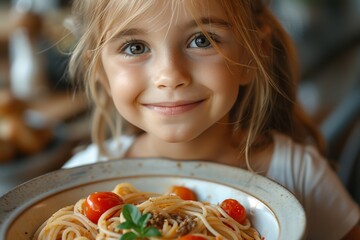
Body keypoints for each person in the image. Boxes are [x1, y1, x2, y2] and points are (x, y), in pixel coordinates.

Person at [63, 0, 359, 239]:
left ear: (254, 52)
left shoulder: (300, 174)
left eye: (201, 40)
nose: (170, 76)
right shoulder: (80, 179)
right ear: (100, 71)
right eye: (135, 47)